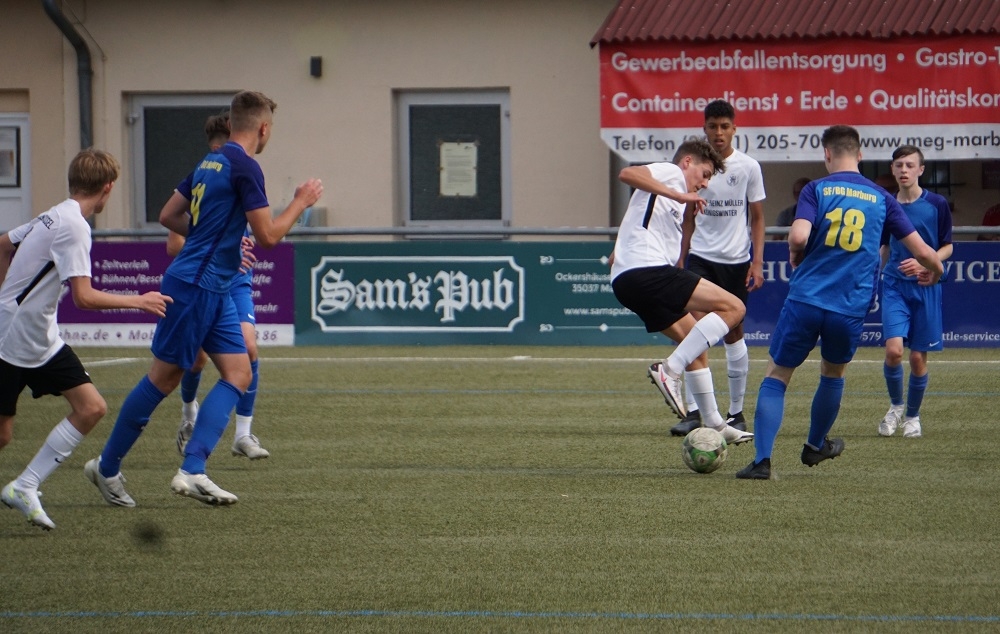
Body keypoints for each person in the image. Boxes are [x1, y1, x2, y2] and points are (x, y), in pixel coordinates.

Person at [86, 90, 323, 507]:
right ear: (263, 128)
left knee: (239, 372)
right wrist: (300, 202)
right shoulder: (246, 166)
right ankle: (105, 467)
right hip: (195, 284)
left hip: (214, 285)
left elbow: (168, 215)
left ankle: (193, 468)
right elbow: (268, 236)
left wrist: (211, 240)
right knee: (164, 378)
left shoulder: (208, 162)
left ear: (230, 124)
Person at [736, 125, 943, 480]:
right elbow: (923, 252)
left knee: (777, 375)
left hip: (806, 298)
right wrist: (935, 272)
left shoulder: (816, 189)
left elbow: (798, 236)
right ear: (859, 155)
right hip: (849, 305)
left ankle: (762, 462)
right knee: (832, 373)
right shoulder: (882, 198)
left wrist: (794, 252)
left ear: (827, 154)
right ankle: (815, 445)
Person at [0, 150, 170, 530]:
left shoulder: (54, 214)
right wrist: (139, 301)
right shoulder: (75, 226)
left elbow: (2, 244)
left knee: (91, 407)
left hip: (39, 338)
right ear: (108, 188)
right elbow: (84, 297)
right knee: (3, 434)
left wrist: (6, 300)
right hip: (13, 341)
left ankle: (25, 486)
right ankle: (24, 486)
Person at [611, 139, 754, 447]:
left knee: (695, 346)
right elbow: (627, 173)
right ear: (688, 162)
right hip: (647, 272)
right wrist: (679, 193)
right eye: (704, 174)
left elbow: (636, 222)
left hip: (628, 280)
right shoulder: (672, 173)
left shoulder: (671, 197)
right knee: (734, 308)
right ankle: (669, 370)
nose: (704, 184)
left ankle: (715, 424)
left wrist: (618, 254)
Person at [168, 110, 269, 461]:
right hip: (204, 277)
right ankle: (189, 413)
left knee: (249, 347)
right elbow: (174, 245)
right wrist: (218, 244)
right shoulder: (204, 174)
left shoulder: (243, 171)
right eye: (215, 149)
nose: (220, 155)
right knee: (195, 360)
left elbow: (260, 228)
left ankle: (243, 434)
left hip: (234, 280)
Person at [670, 100, 766, 437]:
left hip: (736, 261)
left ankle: (736, 412)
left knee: (733, 333)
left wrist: (757, 262)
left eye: (725, 126)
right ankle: (694, 411)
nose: (719, 133)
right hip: (701, 258)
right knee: (693, 329)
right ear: (705, 129)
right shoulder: (697, 168)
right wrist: (680, 256)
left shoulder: (748, 167)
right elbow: (687, 216)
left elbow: (757, 217)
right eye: (713, 126)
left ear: (734, 129)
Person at [878, 145, 953, 439]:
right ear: (893, 169)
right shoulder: (886, 204)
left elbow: (948, 246)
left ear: (921, 170)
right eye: (899, 165)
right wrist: (875, 274)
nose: (904, 170)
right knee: (894, 351)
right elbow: (884, 246)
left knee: (918, 359)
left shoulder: (937, 204)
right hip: (894, 286)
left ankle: (912, 415)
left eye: (910, 165)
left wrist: (927, 262)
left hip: (926, 287)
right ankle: (896, 406)